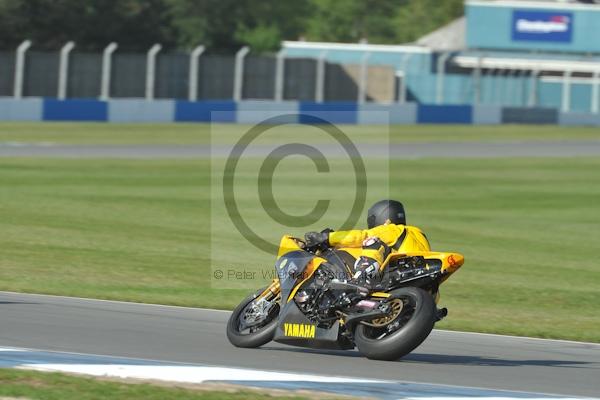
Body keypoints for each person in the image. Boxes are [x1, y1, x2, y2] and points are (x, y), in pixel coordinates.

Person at [304, 200, 430, 286]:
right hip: (424, 282)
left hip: (405, 273)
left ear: (385, 219)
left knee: (372, 241)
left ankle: (361, 280)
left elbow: (360, 236)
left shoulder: (392, 229)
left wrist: (327, 237)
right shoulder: (418, 234)